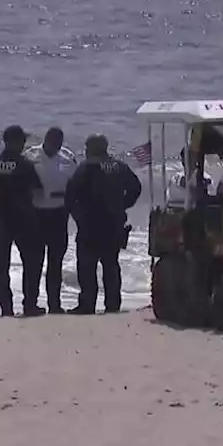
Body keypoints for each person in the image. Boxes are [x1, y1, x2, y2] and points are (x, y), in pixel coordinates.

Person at [65, 134, 142, 314]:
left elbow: (71, 194)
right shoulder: (119, 166)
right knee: (111, 265)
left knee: (86, 265)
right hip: (113, 223)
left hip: (90, 223)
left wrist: (77, 215)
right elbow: (135, 188)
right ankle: (113, 305)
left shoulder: (86, 167)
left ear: (91, 148)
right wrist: (123, 205)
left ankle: (87, 304)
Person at [0, 125, 44, 318]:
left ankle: (7, 309)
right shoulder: (26, 165)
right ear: (18, 142)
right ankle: (30, 306)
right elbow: (38, 193)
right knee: (31, 264)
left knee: (2, 266)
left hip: (0, 219)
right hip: (25, 219)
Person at [24, 127, 78, 315]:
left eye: (59, 142)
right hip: (36, 214)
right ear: (46, 139)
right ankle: (30, 304)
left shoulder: (67, 157)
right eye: (52, 141)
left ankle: (55, 304)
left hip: (59, 214)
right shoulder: (30, 156)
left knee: (55, 262)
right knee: (34, 262)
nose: (55, 146)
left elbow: (76, 183)